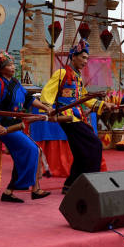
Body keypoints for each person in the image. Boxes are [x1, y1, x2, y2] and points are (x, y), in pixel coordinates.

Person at [40, 39, 115, 194]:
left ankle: (71, 184)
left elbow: (84, 99)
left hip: (76, 117)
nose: (85, 61)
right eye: (83, 57)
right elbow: (47, 93)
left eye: (87, 58)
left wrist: (102, 105)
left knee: (81, 151)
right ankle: (91, 182)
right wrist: (48, 109)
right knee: (94, 144)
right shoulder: (61, 73)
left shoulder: (78, 78)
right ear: (73, 56)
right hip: (67, 119)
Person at [0, 51, 52, 202]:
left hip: (16, 125)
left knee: (25, 154)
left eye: (13, 64)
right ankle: (34, 189)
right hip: (6, 127)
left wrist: (45, 108)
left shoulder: (15, 83)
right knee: (32, 149)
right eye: (9, 65)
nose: (13, 67)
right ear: (1, 69)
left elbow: (28, 100)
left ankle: (9, 192)